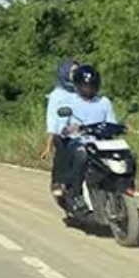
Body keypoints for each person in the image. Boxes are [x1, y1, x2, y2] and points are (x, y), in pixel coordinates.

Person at [51, 65, 117, 217]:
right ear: (77, 85)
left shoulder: (104, 102)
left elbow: (111, 122)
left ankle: (124, 187)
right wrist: (68, 129)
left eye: (91, 86)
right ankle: (76, 194)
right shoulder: (69, 102)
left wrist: (118, 127)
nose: (88, 89)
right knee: (81, 154)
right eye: (85, 86)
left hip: (100, 143)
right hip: (78, 142)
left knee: (126, 154)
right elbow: (61, 126)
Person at [40, 57, 79, 195]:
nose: (76, 74)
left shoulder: (84, 91)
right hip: (65, 136)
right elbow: (52, 123)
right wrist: (48, 147)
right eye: (73, 71)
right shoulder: (57, 95)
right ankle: (59, 182)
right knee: (63, 152)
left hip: (86, 135)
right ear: (65, 72)